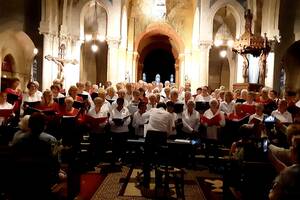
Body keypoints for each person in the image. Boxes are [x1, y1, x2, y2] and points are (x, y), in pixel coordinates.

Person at [10, 112, 59, 200]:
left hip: (21, 187)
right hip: (41, 188)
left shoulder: (18, 142)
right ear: (44, 127)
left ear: (29, 125)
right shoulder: (47, 143)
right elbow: (54, 168)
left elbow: (12, 166)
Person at [269, 136, 300, 200]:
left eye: (292, 146)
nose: (290, 148)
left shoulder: (288, 173)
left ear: (296, 152)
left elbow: (272, 197)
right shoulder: (290, 172)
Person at [109, 98, 131, 163]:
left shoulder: (126, 110)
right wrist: (115, 123)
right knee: (115, 146)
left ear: (123, 103)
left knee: (123, 146)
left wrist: (122, 123)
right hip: (115, 131)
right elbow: (110, 120)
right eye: (119, 102)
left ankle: (123, 159)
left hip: (123, 131)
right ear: (117, 102)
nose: (120, 103)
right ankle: (114, 159)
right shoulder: (113, 110)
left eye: (121, 102)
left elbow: (128, 120)